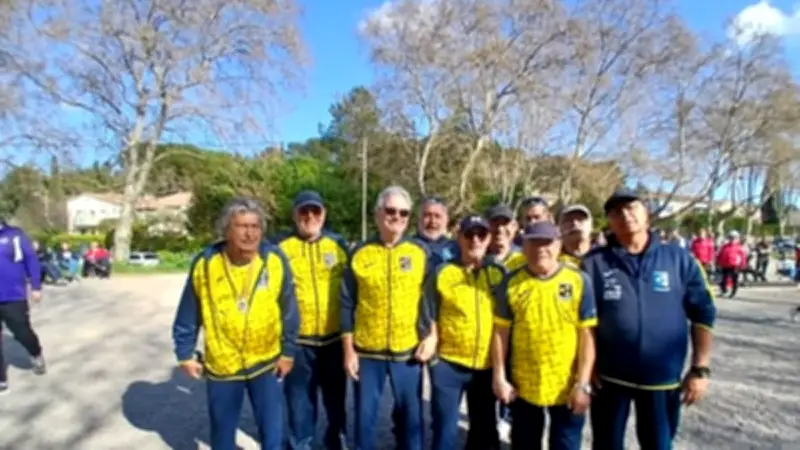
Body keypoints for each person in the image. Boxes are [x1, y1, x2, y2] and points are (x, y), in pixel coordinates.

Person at [581, 190, 716, 450]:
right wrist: (587, 368)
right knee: (606, 444)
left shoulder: (680, 259)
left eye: (632, 208)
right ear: (609, 221)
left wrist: (700, 368)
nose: (625, 216)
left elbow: (703, 314)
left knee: (658, 444)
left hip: (662, 378)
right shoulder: (594, 263)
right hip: (610, 378)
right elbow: (584, 321)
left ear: (648, 214)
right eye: (616, 212)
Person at [171, 197, 299, 450]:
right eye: (241, 226)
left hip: (267, 362)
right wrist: (184, 353)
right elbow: (188, 312)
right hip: (223, 365)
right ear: (226, 230)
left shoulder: (274, 260)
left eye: (255, 226)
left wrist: (288, 352)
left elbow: (290, 309)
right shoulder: (206, 264)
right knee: (222, 434)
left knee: (272, 433)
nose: (249, 233)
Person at [340, 185, 436, 450]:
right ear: (377, 214)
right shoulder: (359, 253)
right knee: (365, 421)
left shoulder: (421, 253)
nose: (397, 217)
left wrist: (432, 337)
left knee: (411, 420)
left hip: (407, 352)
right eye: (391, 211)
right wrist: (348, 351)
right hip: (368, 352)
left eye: (404, 213)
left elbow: (431, 301)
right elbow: (347, 304)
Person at [492, 222, 597, 450]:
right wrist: (499, 377)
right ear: (524, 246)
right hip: (524, 387)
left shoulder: (579, 281)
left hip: (566, 387)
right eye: (534, 242)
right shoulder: (511, 283)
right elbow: (501, 333)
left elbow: (587, 335)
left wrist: (583, 384)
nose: (541, 248)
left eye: (547, 242)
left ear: (558, 245)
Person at [274, 191, 349, 450]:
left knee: (336, 402)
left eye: (315, 211)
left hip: (334, 341)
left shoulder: (339, 246)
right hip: (298, 344)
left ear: (323, 214)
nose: (310, 216)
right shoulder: (280, 250)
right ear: (295, 216)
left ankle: (335, 442)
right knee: (299, 403)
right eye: (304, 212)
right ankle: (300, 444)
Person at [427, 214, 504, 450]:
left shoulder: (499, 275)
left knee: (484, 432)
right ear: (459, 238)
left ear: (488, 238)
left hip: (485, 366)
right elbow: (429, 312)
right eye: (469, 235)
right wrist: (433, 348)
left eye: (481, 235)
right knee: (445, 431)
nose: (475, 240)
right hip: (449, 365)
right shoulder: (442, 273)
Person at [0, 220, 47, 392]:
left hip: (13, 294)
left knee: (22, 332)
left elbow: (31, 259)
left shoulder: (14, 235)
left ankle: (35, 352)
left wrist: (35, 286)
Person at [413, 196, 457, 264]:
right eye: (427, 215)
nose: (432, 221)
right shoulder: (407, 245)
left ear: (446, 220)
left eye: (437, 216)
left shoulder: (455, 248)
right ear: (419, 218)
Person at [485, 204, 526, 271]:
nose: (500, 229)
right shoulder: (478, 258)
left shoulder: (525, 257)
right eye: (495, 223)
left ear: (515, 226)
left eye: (505, 223)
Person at [717, 231, 747, 298]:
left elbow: (743, 256)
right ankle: (724, 290)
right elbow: (720, 254)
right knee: (724, 279)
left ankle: (733, 292)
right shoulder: (725, 246)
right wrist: (718, 262)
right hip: (725, 265)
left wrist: (743, 264)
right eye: (731, 238)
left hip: (734, 265)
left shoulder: (739, 247)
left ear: (737, 239)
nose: (732, 239)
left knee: (734, 280)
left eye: (734, 238)